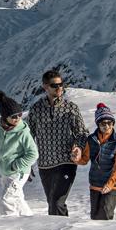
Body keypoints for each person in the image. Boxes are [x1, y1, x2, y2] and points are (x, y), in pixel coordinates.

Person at [26, 70, 89, 216]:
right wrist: (27, 163)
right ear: (45, 87)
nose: (59, 88)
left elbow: (82, 133)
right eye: (54, 85)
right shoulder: (36, 109)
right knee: (52, 204)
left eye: (61, 84)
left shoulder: (71, 108)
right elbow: (28, 137)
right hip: (45, 165)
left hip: (66, 162)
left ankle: (61, 229)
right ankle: (60, 229)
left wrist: (79, 148)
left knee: (57, 202)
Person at [72, 103, 116, 220]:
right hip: (95, 185)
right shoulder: (91, 140)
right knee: (95, 219)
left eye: (109, 123)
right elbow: (84, 160)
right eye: (103, 123)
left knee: (104, 216)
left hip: (112, 186)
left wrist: (110, 184)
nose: (106, 126)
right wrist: (76, 159)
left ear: (113, 124)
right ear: (98, 124)